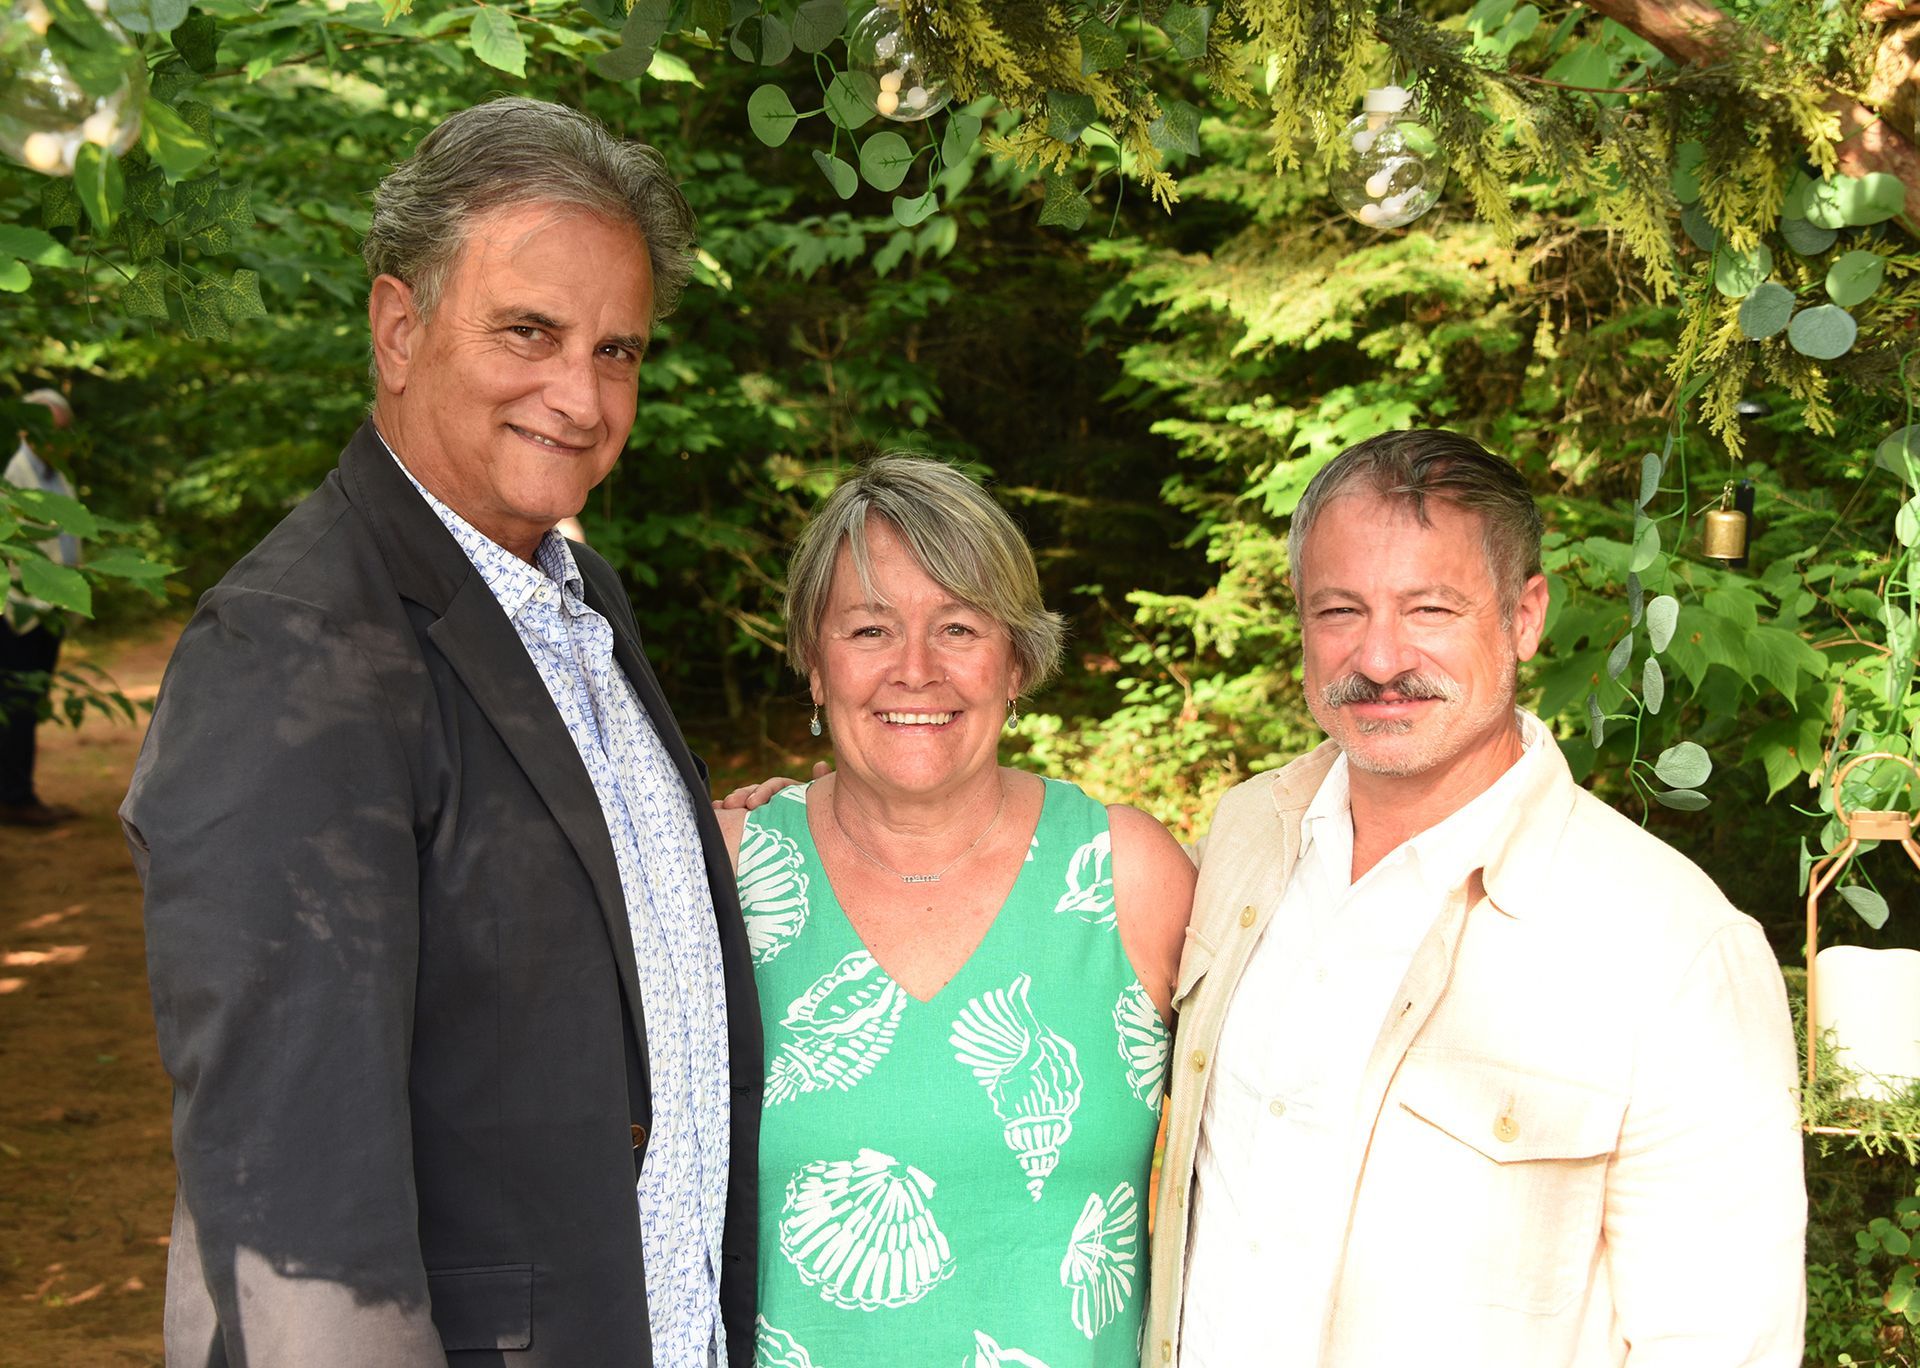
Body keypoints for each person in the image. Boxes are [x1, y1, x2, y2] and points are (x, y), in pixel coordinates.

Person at [123, 98, 762, 1368]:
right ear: (399, 327)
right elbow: (294, 1210)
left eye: (618, 350)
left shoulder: (571, 594)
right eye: (529, 331)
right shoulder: (292, 652)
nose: (579, 396)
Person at [1148, 430, 1805, 1366]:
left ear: (1525, 616)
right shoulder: (1248, 839)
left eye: (1430, 608)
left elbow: (1719, 1341)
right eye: (1340, 609)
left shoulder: (1673, 947)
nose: (1378, 658)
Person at [713, 456, 1194, 1368]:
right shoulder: (726, 879)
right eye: (869, 630)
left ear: (1015, 660)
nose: (916, 670)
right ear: (814, 666)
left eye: (959, 627)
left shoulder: (1128, 877)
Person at [2, 388, 82, 826]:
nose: (55, 441)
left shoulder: (57, 476)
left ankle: (17, 791)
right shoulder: (14, 477)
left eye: (61, 433)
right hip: (20, 615)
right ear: (25, 431)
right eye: (46, 431)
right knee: (17, 704)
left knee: (28, 705)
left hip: (50, 611)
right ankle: (16, 798)